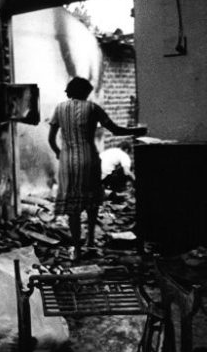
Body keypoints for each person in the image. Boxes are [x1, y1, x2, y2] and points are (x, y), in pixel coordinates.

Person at [47, 77, 146, 260]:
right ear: (85, 92)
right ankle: (90, 241)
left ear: (70, 90)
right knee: (92, 201)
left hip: (68, 161)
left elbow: (51, 139)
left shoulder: (59, 109)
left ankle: (76, 249)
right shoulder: (93, 108)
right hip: (90, 158)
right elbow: (115, 130)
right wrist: (136, 131)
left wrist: (59, 153)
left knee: (73, 206)